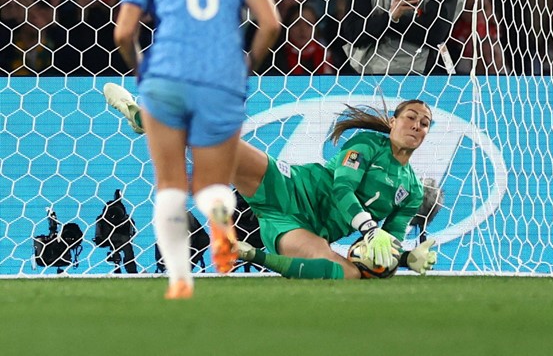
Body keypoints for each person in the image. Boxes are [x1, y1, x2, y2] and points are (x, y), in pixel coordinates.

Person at [112, 0, 281, 299]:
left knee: (170, 185)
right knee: (212, 184)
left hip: (167, 79)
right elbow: (271, 23)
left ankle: (180, 281)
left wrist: (142, 73)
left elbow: (123, 32)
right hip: (220, 81)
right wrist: (247, 66)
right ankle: (222, 227)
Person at [104, 87, 440, 280]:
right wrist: (368, 228)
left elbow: (389, 246)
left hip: (299, 228)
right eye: (410, 117)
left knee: (350, 276)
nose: (417, 125)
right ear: (393, 122)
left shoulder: (410, 191)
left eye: (425, 123)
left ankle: (251, 254)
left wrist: (406, 257)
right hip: (291, 186)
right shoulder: (367, 143)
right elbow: (341, 189)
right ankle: (146, 117)